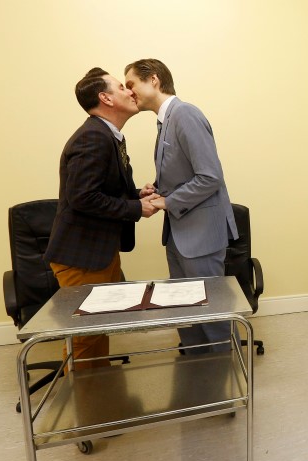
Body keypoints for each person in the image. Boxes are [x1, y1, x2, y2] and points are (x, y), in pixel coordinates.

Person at [44, 67, 161, 370]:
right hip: (82, 256)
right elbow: (82, 198)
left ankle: (101, 397)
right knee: (87, 337)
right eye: (122, 87)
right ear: (105, 98)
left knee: (98, 332)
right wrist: (136, 209)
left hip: (99, 251)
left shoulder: (108, 135)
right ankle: (89, 409)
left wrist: (136, 195)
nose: (130, 91)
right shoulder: (93, 138)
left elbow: (99, 190)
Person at [124, 59, 239, 354]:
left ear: (153, 80)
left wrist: (168, 201)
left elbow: (210, 176)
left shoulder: (185, 114)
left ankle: (228, 382)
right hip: (179, 233)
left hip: (200, 235)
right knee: (185, 313)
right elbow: (185, 174)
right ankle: (198, 379)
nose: (129, 92)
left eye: (131, 84)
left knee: (211, 316)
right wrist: (157, 190)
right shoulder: (165, 121)